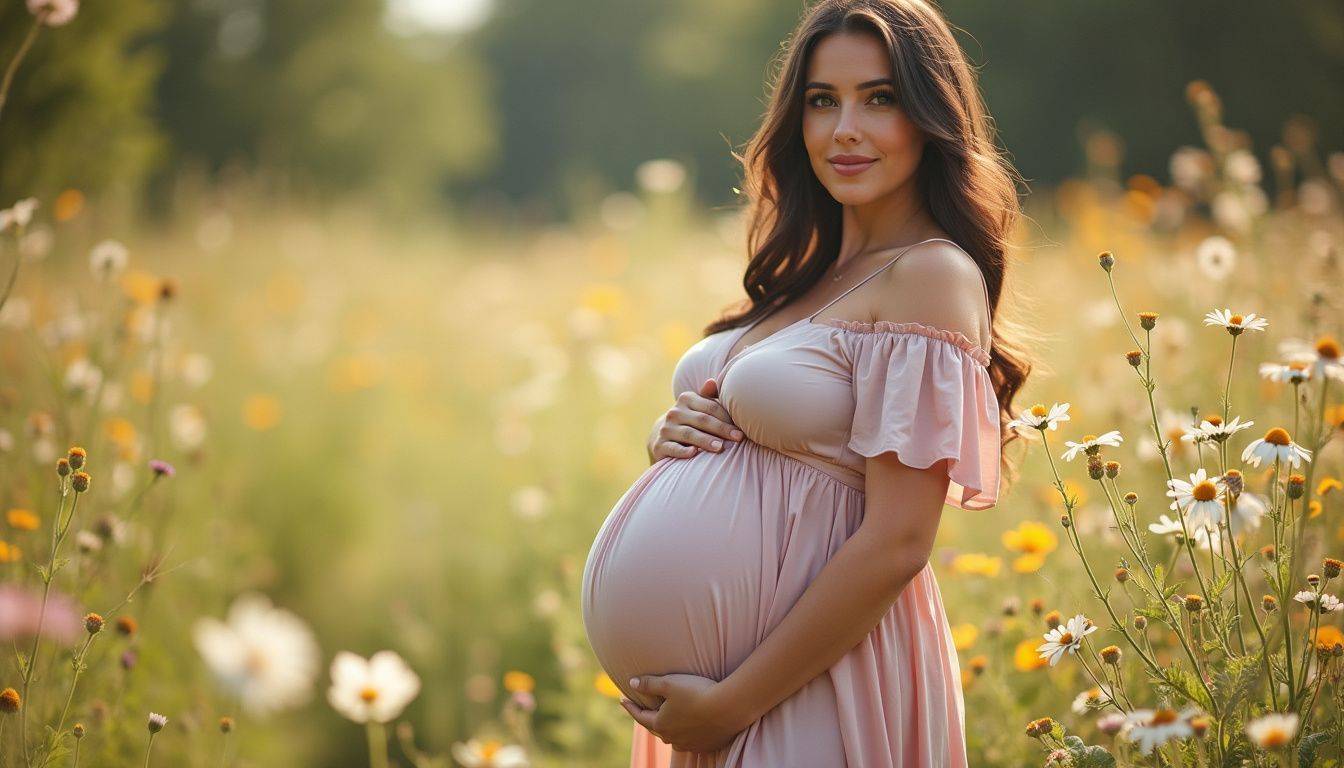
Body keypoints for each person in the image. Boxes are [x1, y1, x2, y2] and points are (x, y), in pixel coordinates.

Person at [579, 0, 1034, 764]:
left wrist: (732, 703)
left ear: (931, 117)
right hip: (723, 703)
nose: (842, 129)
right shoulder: (808, 278)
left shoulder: (930, 274)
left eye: (879, 99)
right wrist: (672, 438)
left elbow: (898, 541)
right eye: (822, 101)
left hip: (812, 687)